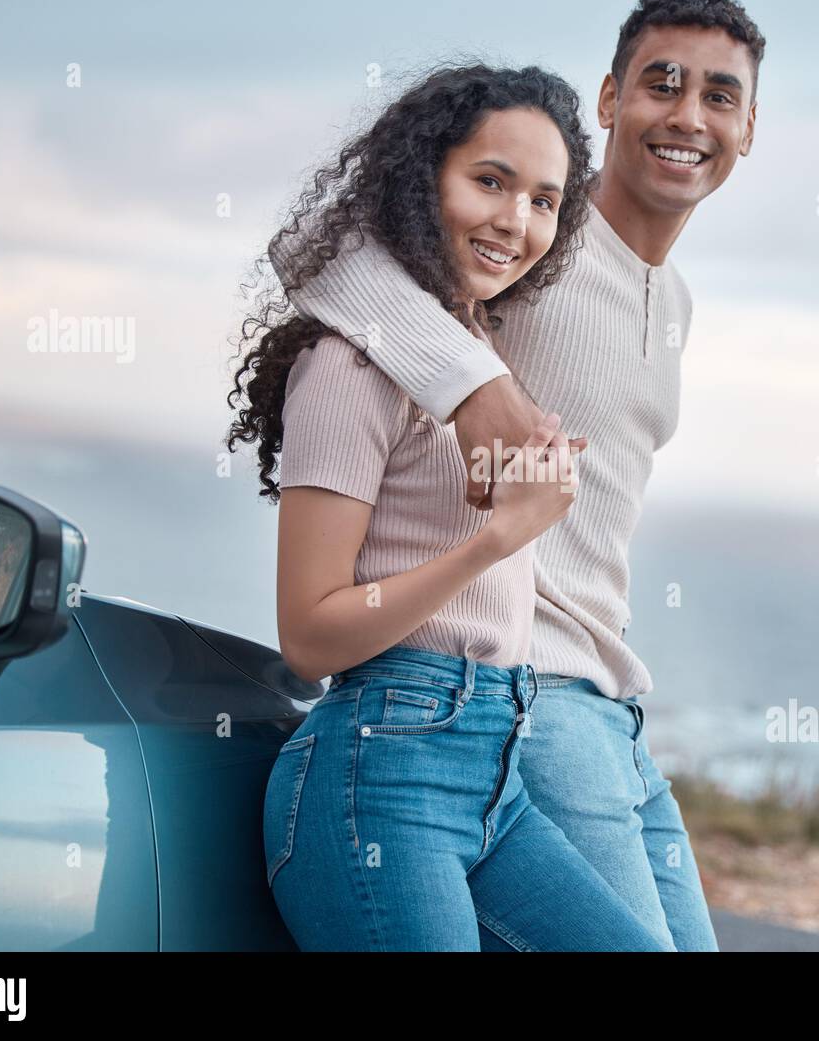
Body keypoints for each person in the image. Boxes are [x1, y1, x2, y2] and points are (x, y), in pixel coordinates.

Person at [268, 0, 766, 952]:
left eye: (719, 95)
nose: (688, 115)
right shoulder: (531, 256)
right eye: (662, 83)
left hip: (606, 700)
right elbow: (317, 258)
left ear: (750, 128)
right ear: (612, 99)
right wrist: (470, 385)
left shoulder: (670, 299)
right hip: (517, 695)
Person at [227, 63, 672, 951]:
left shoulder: (472, 348)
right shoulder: (349, 367)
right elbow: (309, 635)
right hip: (380, 774)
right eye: (490, 182)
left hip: (496, 770)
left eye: (546, 200)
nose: (516, 220)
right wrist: (501, 536)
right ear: (421, 176)